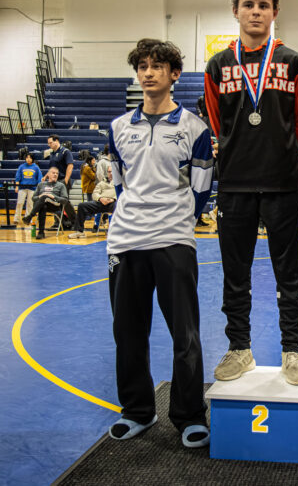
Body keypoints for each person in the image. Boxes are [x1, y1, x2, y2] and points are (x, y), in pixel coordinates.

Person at [205, 0, 298, 385]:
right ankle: (240, 348)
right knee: (236, 274)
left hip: (283, 182)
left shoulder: (293, 62)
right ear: (235, 11)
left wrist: (281, 153)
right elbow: (218, 122)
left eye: (263, 6)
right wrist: (236, 151)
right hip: (235, 183)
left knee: (290, 273)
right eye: (248, 5)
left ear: (274, 12)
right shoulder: (218, 65)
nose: (255, 12)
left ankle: (292, 350)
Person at [106, 38, 213, 448]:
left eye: (157, 66)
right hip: (125, 240)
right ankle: (137, 411)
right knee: (128, 333)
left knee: (185, 334)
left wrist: (174, 219)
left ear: (174, 74)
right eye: (142, 67)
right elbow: (120, 183)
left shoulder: (194, 128)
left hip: (173, 239)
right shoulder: (119, 128)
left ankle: (189, 415)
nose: (148, 73)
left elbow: (201, 189)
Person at [68, 166, 116, 238]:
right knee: (82, 206)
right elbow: (95, 193)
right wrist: (100, 198)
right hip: (101, 203)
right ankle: (79, 231)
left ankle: (116, 231)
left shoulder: (119, 183)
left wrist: (113, 199)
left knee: (118, 206)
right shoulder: (102, 183)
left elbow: (121, 193)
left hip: (113, 203)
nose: (111, 173)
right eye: (109, 172)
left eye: (112, 171)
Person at [22, 167, 69, 239]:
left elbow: (65, 200)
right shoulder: (41, 184)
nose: (55, 175)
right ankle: (41, 233)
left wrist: (53, 196)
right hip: (42, 204)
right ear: (48, 174)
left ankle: (30, 216)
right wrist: (40, 196)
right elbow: (33, 198)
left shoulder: (61, 185)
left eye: (57, 173)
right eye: (53, 173)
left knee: (44, 197)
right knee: (43, 205)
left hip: (55, 206)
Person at [46, 134, 78, 225]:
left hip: (63, 180)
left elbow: (70, 166)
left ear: (56, 141)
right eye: (48, 143)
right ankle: (59, 223)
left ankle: (75, 222)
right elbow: (52, 168)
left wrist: (66, 180)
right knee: (54, 201)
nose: (49, 145)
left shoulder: (65, 152)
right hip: (54, 181)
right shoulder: (52, 153)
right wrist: (46, 176)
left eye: (50, 143)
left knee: (64, 202)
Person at [14, 153, 42, 225]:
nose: (28, 159)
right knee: (19, 203)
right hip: (22, 187)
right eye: (27, 157)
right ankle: (16, 218)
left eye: (30, 157)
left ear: (32, 159)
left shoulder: (36, 167)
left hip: (32, 188)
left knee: (30, 204)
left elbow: (39, 179)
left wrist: (38, 189)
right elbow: (17, 177)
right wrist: (17, 187)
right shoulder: (21, 166)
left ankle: (28, 219)